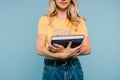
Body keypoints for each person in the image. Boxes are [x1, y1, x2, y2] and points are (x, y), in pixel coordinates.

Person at [36, 0, 91, 80]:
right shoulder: (45, 20)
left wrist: (67, 52)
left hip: (74, 67)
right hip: (52, 69)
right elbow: (39, 49)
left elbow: (87, 49)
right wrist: (60, 55)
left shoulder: (79, 21)